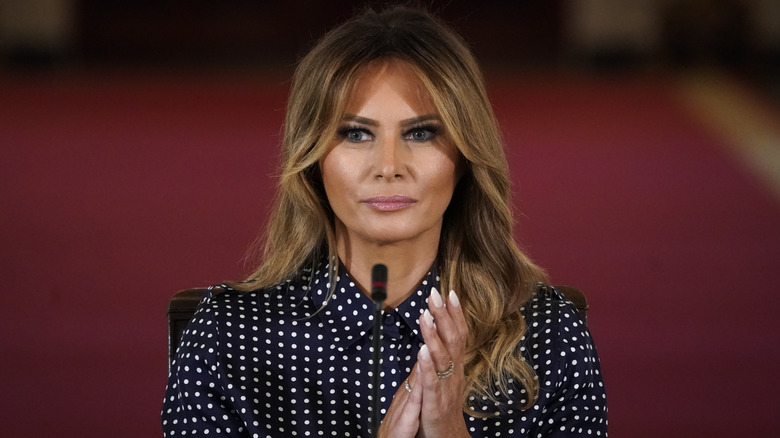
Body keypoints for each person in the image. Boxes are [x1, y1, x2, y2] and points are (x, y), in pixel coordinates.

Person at [162, 5, 607, 437]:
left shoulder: (548, 335)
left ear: (467, 157)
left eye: (421, 132)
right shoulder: (230, 337)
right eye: (356, 134)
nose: (389, 166)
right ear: (311, 159)